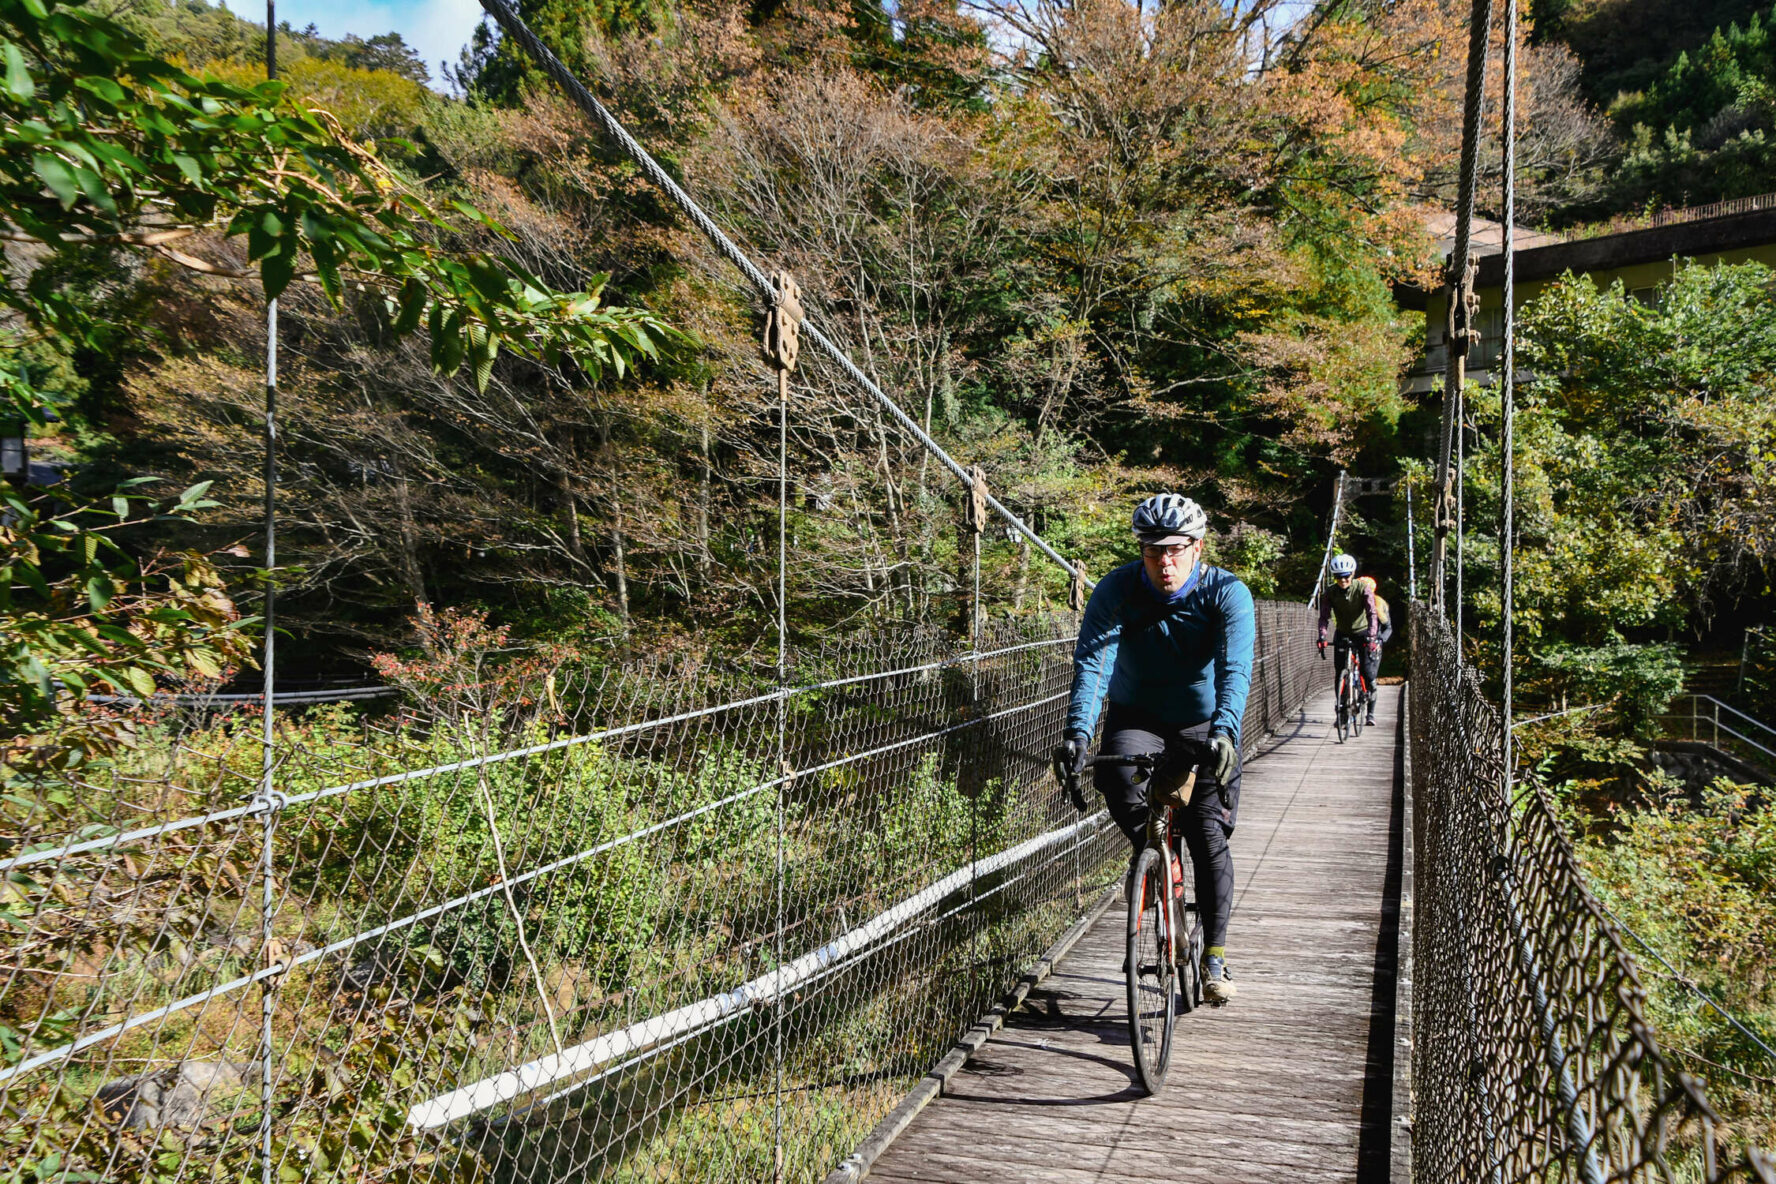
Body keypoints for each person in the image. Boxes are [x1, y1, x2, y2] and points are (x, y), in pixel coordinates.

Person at [1053, 493, 1255, 1004]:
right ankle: (1155, 860)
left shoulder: (1226, 593)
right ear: (1140, 551)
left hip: (1202, 722)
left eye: (1175, 549)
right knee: (1115, 778)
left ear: (1197, 547)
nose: (1164, 561)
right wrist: (1078, 734)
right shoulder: (1116, 590)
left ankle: (1215, 954)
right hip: (1136, 716)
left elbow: (1235, 669)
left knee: (1208, 832)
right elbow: (1093, 665)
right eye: (1152, 550)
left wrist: (1226, 731)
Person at [1316, 554, 1390, 727]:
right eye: (1338, 577)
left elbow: (1372, 614)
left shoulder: (1363, 589)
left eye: (1346, 576)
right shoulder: (1330, 592)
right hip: (1342, 633)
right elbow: (1324, 617)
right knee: (1340, 671)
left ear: (1352, 574)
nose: (1343, 580)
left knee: (1366, 671)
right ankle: (1341, 711)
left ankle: (1369, 701)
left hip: (1363, 633)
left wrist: (1372, 636)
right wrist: (1322, 636)